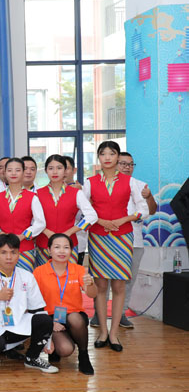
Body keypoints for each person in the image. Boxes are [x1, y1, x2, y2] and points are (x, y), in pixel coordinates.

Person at [84, 142, 147, 349]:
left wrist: (124, 219)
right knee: (101, 285)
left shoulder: (130, 182)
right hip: (98, 237)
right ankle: (102, 332)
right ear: (98, 158)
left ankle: (114, 334)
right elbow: (84, 210)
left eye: (112, 153)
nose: (107, 157)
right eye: (103, 154)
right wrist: (101, 221)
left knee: (119, 285)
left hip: (123, 236)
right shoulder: (90, 182)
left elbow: (143, 209)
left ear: (117, 157)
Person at [0, 234, 57, 373]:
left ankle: (32, 358)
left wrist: (47, 338)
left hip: (18, 322)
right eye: (3, 252)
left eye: (13, 252)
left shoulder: (27, 276)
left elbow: (38, 308)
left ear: (19, 254)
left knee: (45, 320)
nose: (9, 257)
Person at [32, 233, 97, 375]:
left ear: (71, 250)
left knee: (75, 318)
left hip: (74, 315)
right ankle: (56, 342)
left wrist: (91, 284)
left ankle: (84, 355)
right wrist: (50, 324)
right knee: (65, 349)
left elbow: (92, 294)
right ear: (49, 250)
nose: (62, 251)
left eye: (66, 247)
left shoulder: (78, 270)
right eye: (57, 247)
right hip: (50, 317)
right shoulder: (39, 272)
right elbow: (33, 301)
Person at [117, 151, 157, 328]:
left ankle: (121, 313)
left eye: (130, 164)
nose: (127, 167)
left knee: (128, 280)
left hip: (135, 241)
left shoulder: (140, 185)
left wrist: (149, 196)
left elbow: (153, 210)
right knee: (104, 280)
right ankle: (98, 314)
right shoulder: (106, 185)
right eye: (123, 163)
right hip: (110, 239)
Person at [35, 154, 98, 266]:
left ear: (65, 171)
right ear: (46, 171)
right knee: (45, 276)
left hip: (69, 244)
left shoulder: (76, 193)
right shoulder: (37, 194)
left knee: (70, 275)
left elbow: (92, 216)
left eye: (59, 168)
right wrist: (47, 232)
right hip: (44, 245)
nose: (55, 172)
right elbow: (31, 218)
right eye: (51, 168)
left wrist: (70, 232)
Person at [0, 158, 46, 272]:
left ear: (23, 173)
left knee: (25, 279)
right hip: (3, 248)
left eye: (17, 170)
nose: (13, 173)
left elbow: (40, 223)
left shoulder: (32, 197)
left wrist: (23, 236)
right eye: (10, 170)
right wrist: (0, 233)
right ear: (5, 173)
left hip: (25, 248)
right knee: (4, 279)